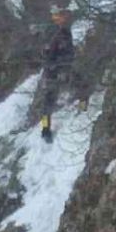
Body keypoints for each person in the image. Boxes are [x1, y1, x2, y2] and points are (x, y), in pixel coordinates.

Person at [40, 10, 75, 142]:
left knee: (80, 86)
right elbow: (47, 52)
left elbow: (68, 50)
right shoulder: (52, 32)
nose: (60, 18)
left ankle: (82, 111)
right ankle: (45, 129)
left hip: (62, 68)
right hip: (54, 70)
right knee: (48, 101)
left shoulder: (64, 30)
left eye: (61, 15)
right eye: (57, 15)